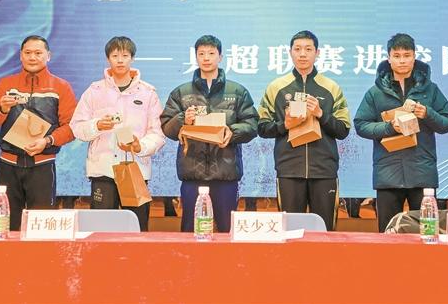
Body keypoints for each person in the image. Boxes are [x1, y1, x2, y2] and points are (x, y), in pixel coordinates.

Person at [354, 33, 448, 233]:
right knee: (388, 234)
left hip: (422, 174)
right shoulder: (375, 93)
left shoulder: (430, 90)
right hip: (388, 175)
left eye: (407, 55)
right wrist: (390, 127)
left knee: (427, 233)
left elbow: (447, 123)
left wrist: (427, 114)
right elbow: (361, 125)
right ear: (389, 58)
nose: (402, 60)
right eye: (397, 56)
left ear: (414, 57)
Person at [160, 35, 258, 233]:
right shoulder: (181, 93)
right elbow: (166, 127)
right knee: (191, 231)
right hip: (192, 174)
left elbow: (253, 124)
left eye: (211, 53)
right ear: (195, 57)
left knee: (227, 231)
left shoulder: (237, 91)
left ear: (220, 57)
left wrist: (232, 132)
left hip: (225, 174)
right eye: (201, 53)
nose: (206, 58)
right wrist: (183, 119)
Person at [258, 30, 350, 231]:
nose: (302, 54)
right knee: (290, 231)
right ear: (290, 52)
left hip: (324, 170)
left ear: (317, 53)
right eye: (297, 49)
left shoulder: (331, 87)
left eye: (308, 49)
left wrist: (320, 113)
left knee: (325, 231)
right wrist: (285, 124)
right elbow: (262, 128)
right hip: (289, 170)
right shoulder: (276, 87)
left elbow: (343, 130)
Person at [70, 36, 166, 231]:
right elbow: (77, 127)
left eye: (125, 55)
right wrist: (97, 125)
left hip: (135, 170)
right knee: (101, 230)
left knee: (137, 229)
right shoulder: (94, 91)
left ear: (132, 58)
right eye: (115, 56)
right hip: (103, 169)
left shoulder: (147, 93)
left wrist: (140, 146)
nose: (120, 60)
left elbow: (158, 133)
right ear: (108, 59)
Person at [0, 35, 77, 231]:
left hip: (43, 166)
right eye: (28, 53)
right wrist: (2, 108)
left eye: (38, 53)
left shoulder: (61, 87)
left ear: (48, 56)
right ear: (20, 56)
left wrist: (48, 141)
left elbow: (71, 128)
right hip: (8, 166)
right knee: (6, 226)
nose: (32, 57)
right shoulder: (6, 84)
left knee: (41, 227)